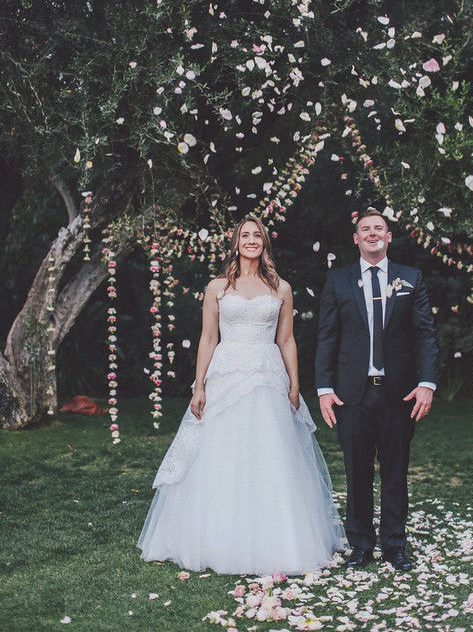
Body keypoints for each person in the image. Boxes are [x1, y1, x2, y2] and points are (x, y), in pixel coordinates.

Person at [138, 215, 345, 575]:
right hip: (226, 373)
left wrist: (295, 384)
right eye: (245, 235)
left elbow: (286, 339)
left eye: (257, 235)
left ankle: (276, 540)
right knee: (222, 454)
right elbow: (208, 338)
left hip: (267, 375)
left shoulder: (281, 287)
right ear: (235, 243)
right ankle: (218, 538)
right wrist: (199, 385)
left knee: (271, 455)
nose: (251, 240)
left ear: (264, 243)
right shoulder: (217, 286)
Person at [315, 208, 438, 572]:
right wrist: (324, 388)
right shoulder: (337, 280)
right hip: (352, 393)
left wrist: (426, 384)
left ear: (388, 237)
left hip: (400, 393)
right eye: (365, 229)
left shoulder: (410, 278)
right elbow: (326, 337)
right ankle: (361, 547)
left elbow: (426, 335)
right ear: (356, 238)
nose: (372, 234)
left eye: (378, 229)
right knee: (357, 471)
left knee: (396, 471)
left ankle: (395, 546)